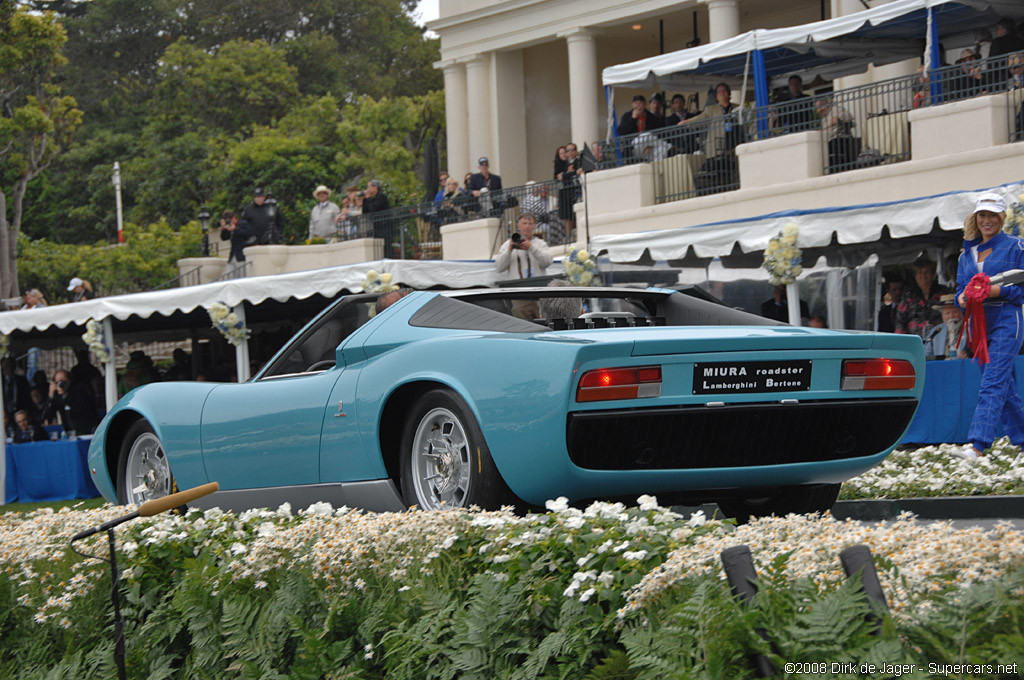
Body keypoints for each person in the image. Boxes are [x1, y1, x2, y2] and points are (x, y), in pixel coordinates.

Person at [953, 193, 1024, 460]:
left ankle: (977, 446)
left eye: (993, 215)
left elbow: (1021, 290)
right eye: (983, 214)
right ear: (976, 217)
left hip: (1008, 319)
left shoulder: (1018, 247)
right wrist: (962, 298)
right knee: (1004, 386)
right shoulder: (965, 255)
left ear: (1003, 218)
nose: (987, 220)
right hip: (978, 324)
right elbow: (961, 291)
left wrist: (995, 291)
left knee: (992, 382)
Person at [678, 83, 744, 194]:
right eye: (719, 92)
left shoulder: (736, 108)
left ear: (729, 94)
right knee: (718, 169)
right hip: (717, 145)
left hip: (733, 141)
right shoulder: (711, 109)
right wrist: (687, 122)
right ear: (716, 96)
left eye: (724, 91)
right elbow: (701, 118)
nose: (722, 93)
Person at [495, 214, 554, 319]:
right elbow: (499, 267)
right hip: (519, 294)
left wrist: (531, 248)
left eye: (530, 223)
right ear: (518, 226)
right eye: (524, 223)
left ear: (535, 226)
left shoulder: (540, 244)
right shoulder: (507, 244)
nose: (527, 226)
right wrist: (509, 250)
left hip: (539, 293)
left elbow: (548, 261)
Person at [894, 257, 946, 340]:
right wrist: (899, 341)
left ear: (933, 274)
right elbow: (900, 322)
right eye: (920, 272)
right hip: (914, 341)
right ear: (915, 275)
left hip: (939, 339)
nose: (923, 275)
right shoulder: (908, 295)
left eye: (927, 272)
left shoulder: (943, 292)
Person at [45, 368, 100, 435]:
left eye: (63, 381)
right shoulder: (57, 396)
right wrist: (50, 396)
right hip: (71, 432)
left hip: (88, 429)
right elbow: (48, 415)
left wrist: (65, 394)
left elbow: (77, 408)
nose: (61, 384)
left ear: (69, 380)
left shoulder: (79, 389)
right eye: (58, 382)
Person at [816, 97, 857, 173]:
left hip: (841, 138)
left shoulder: (836, 109)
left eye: (820, 107)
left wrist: (838, 118)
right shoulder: (823, 119)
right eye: (817, 108)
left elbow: (849, 117)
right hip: (830, 140)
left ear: (827, 105)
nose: (819, 110)